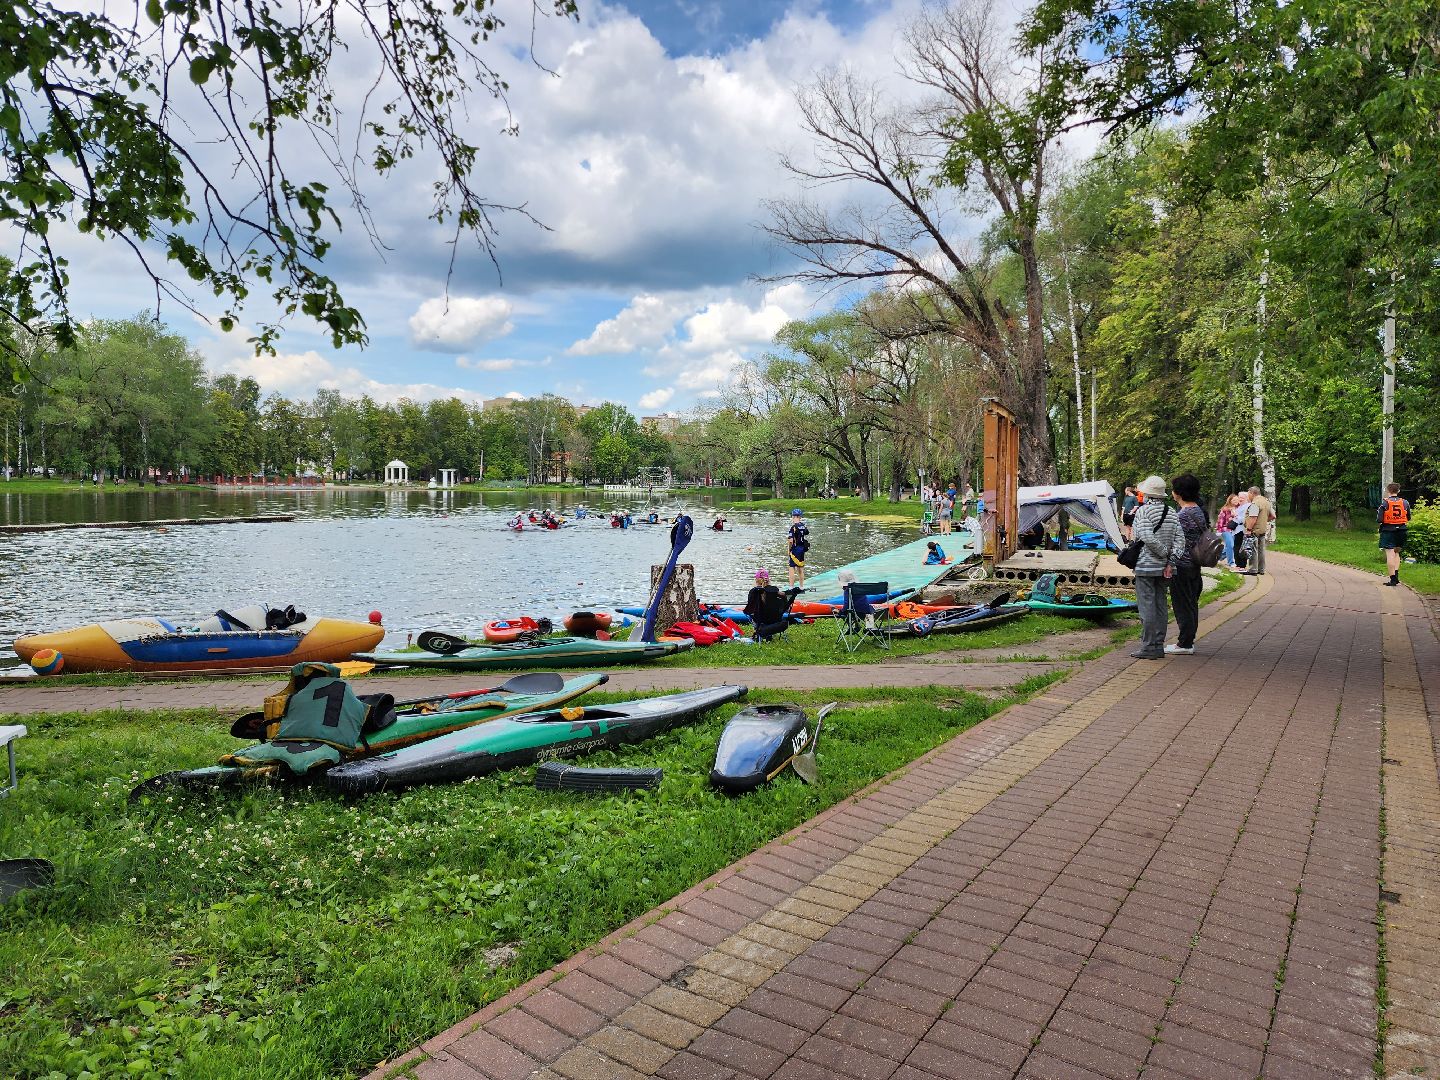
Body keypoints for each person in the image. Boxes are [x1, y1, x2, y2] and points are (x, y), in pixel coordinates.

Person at [1130, 474, 1186, 660]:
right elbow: (1180, 540)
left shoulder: (1143, 512)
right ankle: (1159, 645)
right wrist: (1171, 561)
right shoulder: (1172, 512)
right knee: (1161, 605)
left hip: (1146, 566)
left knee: (1147, 607)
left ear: (1147, 494)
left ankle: (1149, 647)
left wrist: (1163, 553)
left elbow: (1145, 536)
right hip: (1166, 568)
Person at [1166, 474, 1207, 655]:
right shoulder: (1198, 510)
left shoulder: (1183, 515)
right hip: (1194, 564)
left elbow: (1175, 541)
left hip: (1182, 565)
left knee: (1183, 604)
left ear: (1179, 493)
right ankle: (1187, 641)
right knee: (1191, 602)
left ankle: (1185, 644)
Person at [1378, 482, 1411, 586]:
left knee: (1390, 554)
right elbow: (1408, 517)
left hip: (1388, 530)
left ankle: (1392, 579)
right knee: (1397, 552)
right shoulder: (1405, 502)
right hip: (1402, 530)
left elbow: (1379, 519)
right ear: (1399, 491)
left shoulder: (1384, 503)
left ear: (1388, 491)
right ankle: (1396, 576)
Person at [1241, 485, 1272, 576]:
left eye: (1248, 494)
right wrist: (1263, 520)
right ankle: (1261, 569)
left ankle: (1253, 569)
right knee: (1261, 550)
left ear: (1252, 493)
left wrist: (1249, 529)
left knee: (1253, 549)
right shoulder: (1266, 502)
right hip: (1262, 529)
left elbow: (1253, 517)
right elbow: (1273, 516)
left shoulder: (1255, 503)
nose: (1248, 496)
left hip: (1254, 530)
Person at [1216, 494, 1241, 569]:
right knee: (1230, 545)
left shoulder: (1240, 508)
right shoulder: (1225, 509)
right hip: (1225, 529)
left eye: (1237, 500)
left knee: (1230, 547)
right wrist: (1219, 529)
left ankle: (1218, 558)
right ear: (1230, 501)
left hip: (1235, 530)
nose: (1236, 501)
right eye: (1234, 500)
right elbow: (1220, 520)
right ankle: (1231, 563)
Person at [787, 508, 810, 587]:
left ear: (793, 517)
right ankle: (801, 586)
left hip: (795, 549)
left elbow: (791, 541)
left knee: (791, 568)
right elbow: (806, 532)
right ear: (800, 517)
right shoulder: (803, 526)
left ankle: (791, 587)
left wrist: (789, 550)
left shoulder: (793, 528)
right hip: (802, 549)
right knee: (800, 568)